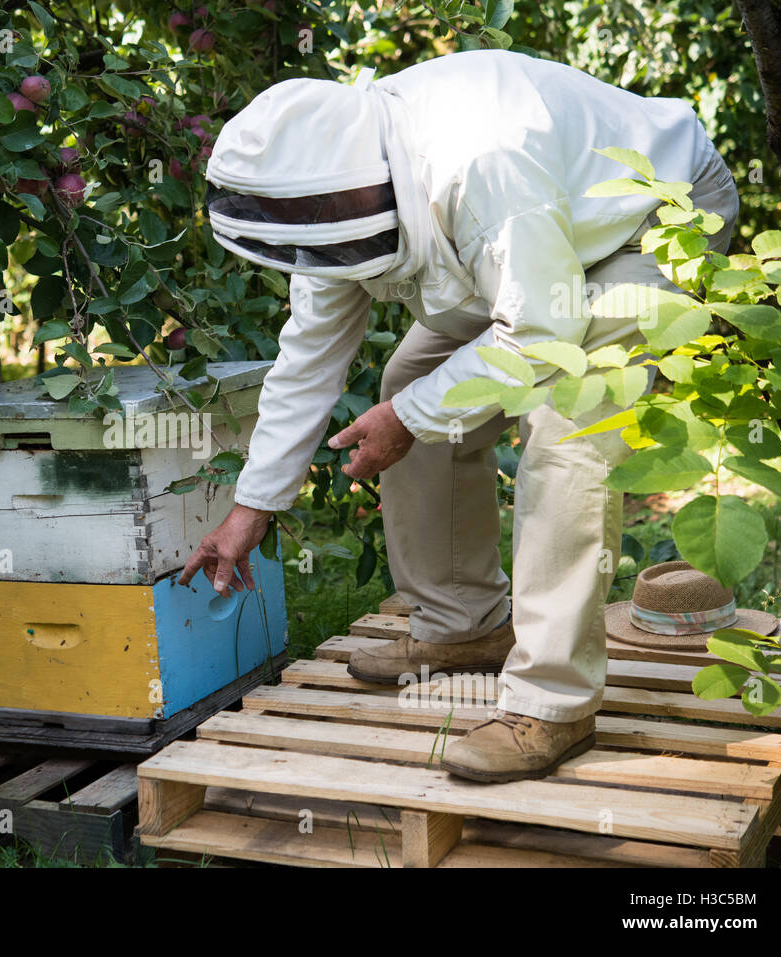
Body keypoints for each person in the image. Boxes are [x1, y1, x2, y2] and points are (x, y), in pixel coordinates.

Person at [176, 49, 739, 782]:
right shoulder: (325, 195)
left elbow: (539, 336)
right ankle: (465, 625)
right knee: (411, 377)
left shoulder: (483, 162)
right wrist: (251, 508)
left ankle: (552, 701)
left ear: (353, 186)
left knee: (568, 420)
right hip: (535, 251)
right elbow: (309, 359)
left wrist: (407, 417)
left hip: (652, 220)